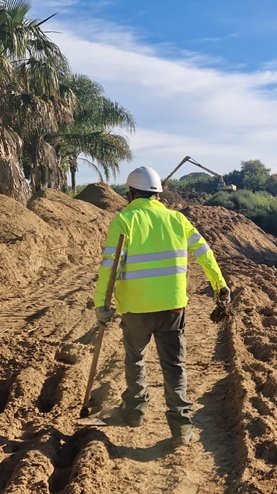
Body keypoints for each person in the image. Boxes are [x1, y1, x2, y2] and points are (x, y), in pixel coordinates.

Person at [94, 166, 230, 447]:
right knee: (174, 366)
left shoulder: (123, 221)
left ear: (130, 193)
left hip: (135, 309)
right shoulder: (177, 220)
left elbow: (109, 267)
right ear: (157, 194)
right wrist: (220, 286)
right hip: (172, 308)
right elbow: (205, 253)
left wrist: (101, 305)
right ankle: (181, 427)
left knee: (135, 359)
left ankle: (135, 412)